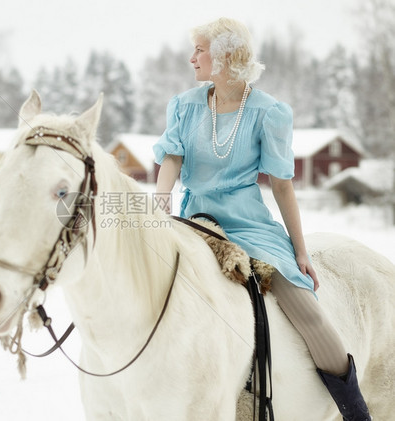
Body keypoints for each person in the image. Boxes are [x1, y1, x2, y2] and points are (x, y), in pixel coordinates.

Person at [154, 17, 371, 420]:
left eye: (199, 50)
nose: (191, 58)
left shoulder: (269, 112)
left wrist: (300, 251)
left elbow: (283, 186)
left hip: (250, 227)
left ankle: (355, 410)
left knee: (307, 310)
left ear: (223, 56)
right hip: (194, 223)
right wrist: (161, 198)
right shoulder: (184, 105)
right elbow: (172, 155)